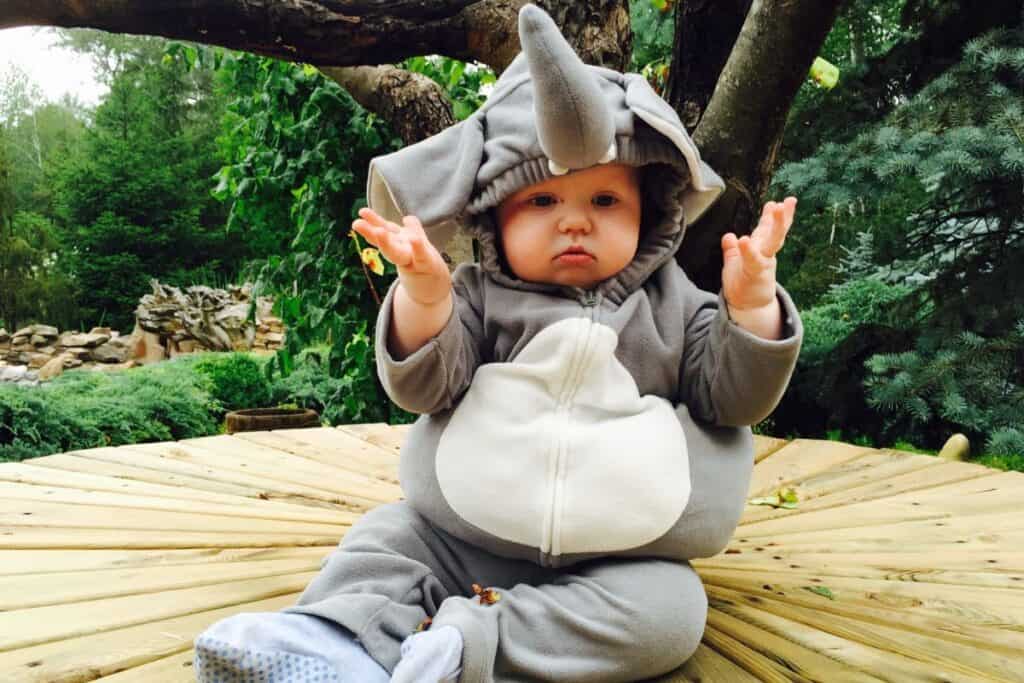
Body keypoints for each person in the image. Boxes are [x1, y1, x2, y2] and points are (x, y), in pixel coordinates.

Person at [192, 5, 803, 682]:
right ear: (495, 214)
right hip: (458, 539)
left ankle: (462, 649)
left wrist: (749, 310)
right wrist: (426, 297)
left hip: (618, 557)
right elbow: (426, 384)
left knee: (671, 614)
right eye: (543, 202)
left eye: (605, 201)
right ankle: (330, 642)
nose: (575, 222)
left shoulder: (676, 307)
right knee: (385, 540)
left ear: (649, 212)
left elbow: (732, 395)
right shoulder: (480, 298)